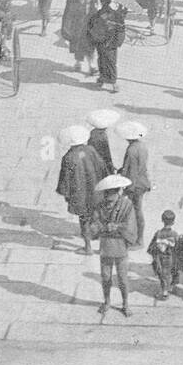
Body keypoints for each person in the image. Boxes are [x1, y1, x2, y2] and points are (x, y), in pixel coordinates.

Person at [92, 174, 135, 316]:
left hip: (120, 246)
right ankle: (107, 301)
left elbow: (130, 226)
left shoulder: (127, 205)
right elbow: (94, 225)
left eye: (111, 195)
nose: (108, 199)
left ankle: (125, 303)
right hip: (105, 246)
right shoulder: (100, 206)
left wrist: (117, 227)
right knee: (105, 277)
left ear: (117, 193)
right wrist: (104, 228)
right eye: (107, 195)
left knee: (122, 278)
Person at [56, 124, 103, 254]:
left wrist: (65, 194)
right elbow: (101, 166)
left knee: (84, 220)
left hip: (80, 194)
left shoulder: (68, 157)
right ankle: (103, 246)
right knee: (98, 216)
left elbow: (65, 179)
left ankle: (88, 247)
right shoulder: (90, 150)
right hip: (96, 191)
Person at [117, 121, 152, 247]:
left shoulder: (131, 150)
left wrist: (126, 188)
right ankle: (137, 237)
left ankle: (139, 239)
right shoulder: (142, 146)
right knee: (137, 210)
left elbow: (132, 172)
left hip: (135, 185)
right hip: (143, 181)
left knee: (136, 212)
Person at [86, 0, 127, 94]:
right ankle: (113, 83)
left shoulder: (97, 14)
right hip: (111, 42)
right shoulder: (116, 15)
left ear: (101, 2)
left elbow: (90, 27)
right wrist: (117, 43)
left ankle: (102, 79)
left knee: (101, 60)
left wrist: (93, 40)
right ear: (110, 1)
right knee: (111, 62)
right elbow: (121, 29)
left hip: (100, 41)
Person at [61, 0, 99, 75]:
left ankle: (90, 66)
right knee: (78, 43)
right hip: (77, 22)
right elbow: (69, 8)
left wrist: (95, 4)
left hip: (87, 22)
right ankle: (79, 63)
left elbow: (94, 5)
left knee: (89, 44)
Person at [148, 210, 181, 301]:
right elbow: (178, 249)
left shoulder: (158, 233)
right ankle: (169, 288)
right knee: (170, 274)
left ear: (162, 220)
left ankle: (165, 291)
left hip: (160, 258)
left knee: (162, 274)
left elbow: (151, 248)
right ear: (173, 222)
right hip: (170, 258)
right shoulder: (175, 234)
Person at [86, 108, 119, 179]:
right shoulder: (103, 135)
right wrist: (110, 166)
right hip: (101, 163)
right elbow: (106, 153)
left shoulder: (93, 132)